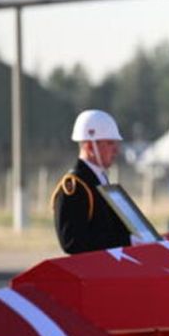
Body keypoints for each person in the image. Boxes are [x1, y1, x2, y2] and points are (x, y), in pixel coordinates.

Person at [51, 109, 132, 254]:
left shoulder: (100, 179)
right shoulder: (74, 187)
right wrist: (126, 241)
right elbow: (72, 243)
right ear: (89, 146)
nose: (116, 150)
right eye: (110, 143)